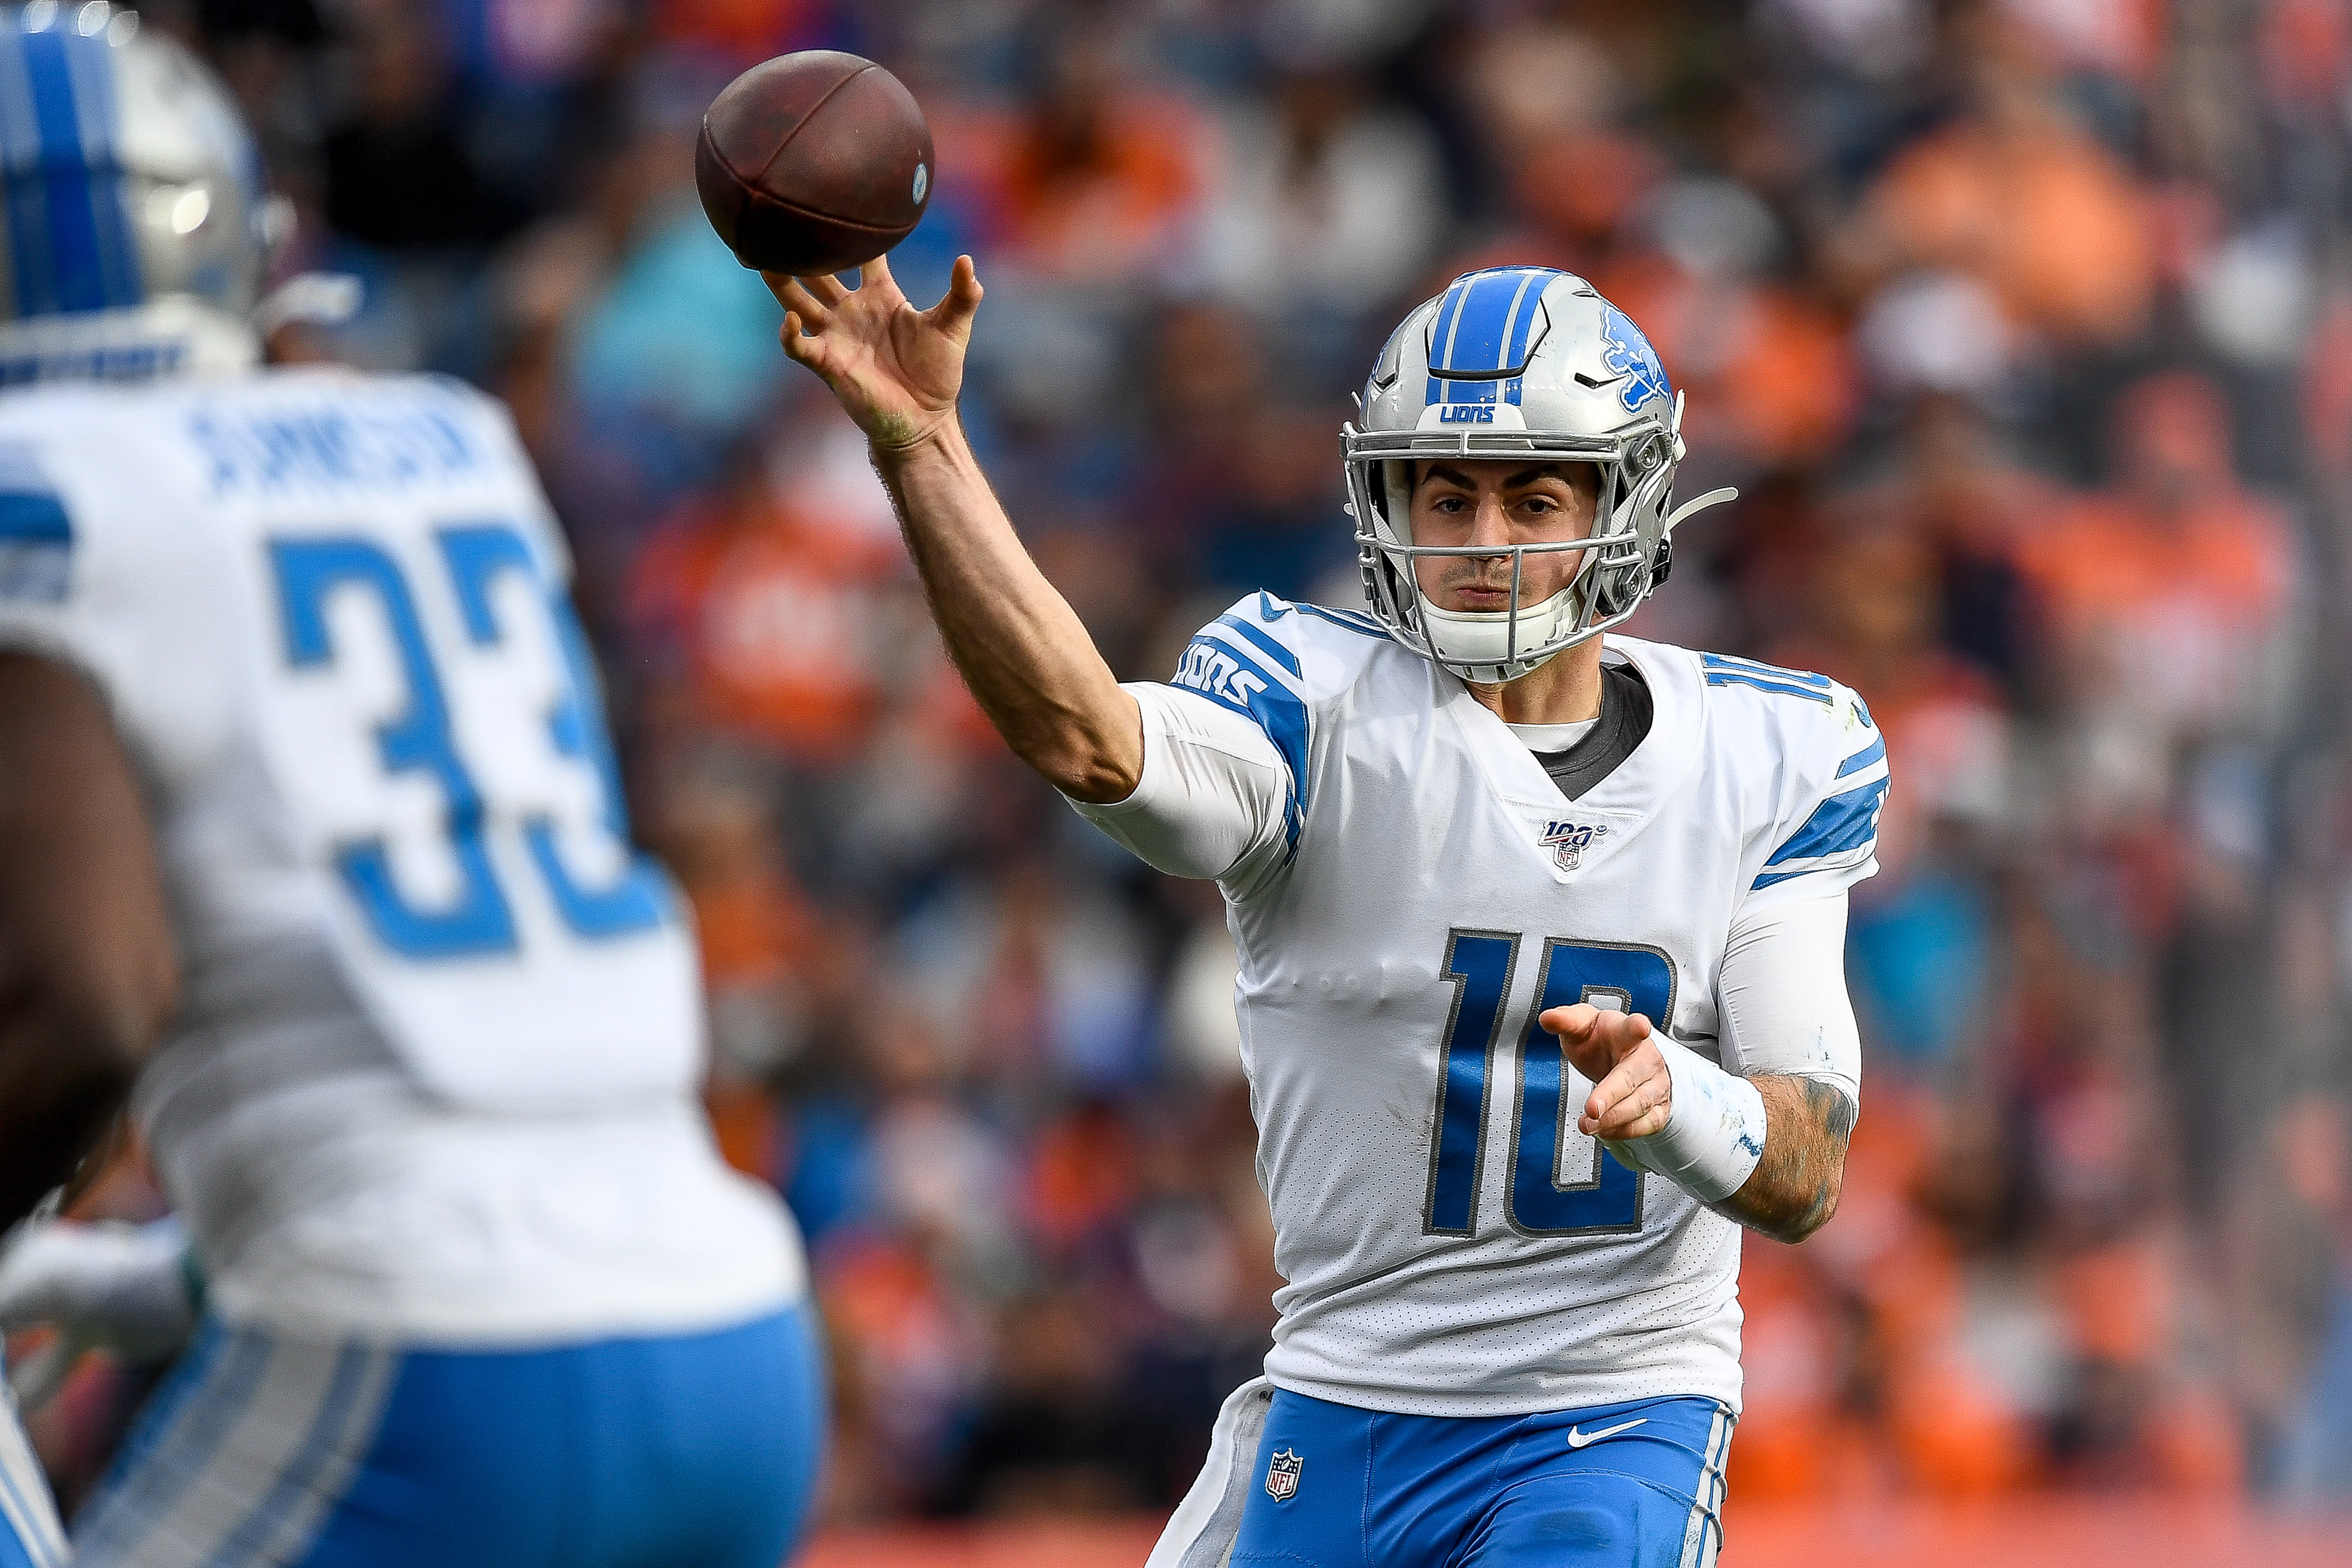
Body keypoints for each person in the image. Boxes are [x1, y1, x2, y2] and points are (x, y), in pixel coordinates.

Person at [769, 251, 1881, 1566]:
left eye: (1532, 496)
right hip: (1344, 1401)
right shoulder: (1311, 702)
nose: (1480, 543)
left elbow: (1804, 1164)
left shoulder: (1768, 752)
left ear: (1624, 502)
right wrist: (926, 447)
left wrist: (1679, 1100)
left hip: (1610, 1405)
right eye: (1444, 492)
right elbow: (1088, 740)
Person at [0, 8, 822, 1564]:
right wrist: (190, 1263)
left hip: (432, 1359)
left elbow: (87, 993)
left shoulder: (49, 482)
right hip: (731, 1329)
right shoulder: (442, 443)